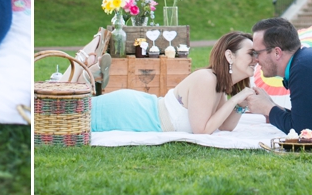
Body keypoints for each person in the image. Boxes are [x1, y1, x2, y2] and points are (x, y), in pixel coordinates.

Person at [62, 31, 257, 134]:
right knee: (64, 107)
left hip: (142, 112)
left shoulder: (219, 87)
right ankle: (82, 64)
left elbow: (223, 127)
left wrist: (240, 105)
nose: (256, 59)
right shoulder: (207, 79)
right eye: (251, 54)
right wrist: (235, 99)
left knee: (72, 111)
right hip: (135, 113)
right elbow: (202, 130)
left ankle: (86, 72)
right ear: (230, 56)